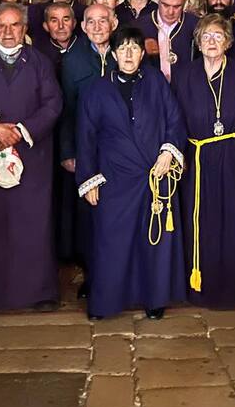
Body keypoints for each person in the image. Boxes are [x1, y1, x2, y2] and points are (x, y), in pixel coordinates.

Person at [76, 26, 187, 319]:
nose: (128, 54)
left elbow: (175, 121)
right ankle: (106, 302)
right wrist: (89, 179)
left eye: (134, 48)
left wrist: (168, 152)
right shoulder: (96, 89)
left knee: (152, 242)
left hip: (154, 177)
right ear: (113, 54)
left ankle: (154, 299)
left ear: (142, 54)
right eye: (122, 48)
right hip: (114, 179)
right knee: (112, 242)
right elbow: (85, 136)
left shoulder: (156, 82)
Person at [0, 2, 63, 311]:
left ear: (25, 28)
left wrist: (20, 130)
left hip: (32, 154)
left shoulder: (40, 62)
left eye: (14, 25)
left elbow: (53, 104)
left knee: (33, 222)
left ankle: (38, 292)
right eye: (2, 26)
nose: (8, 32)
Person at [171, 13, 235, 309]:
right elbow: (174, 120)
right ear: (197, 42)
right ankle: (198, 286)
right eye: (206, 36)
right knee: (198, 221)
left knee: (233, 220)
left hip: (234, 156)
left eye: (218, 36)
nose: (211, 41)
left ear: (228, 42)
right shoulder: (184, 75)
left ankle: (231, 289)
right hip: (195, 158)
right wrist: (176, 154)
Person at [59, 3, 119, 292]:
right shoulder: (73, 61)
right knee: (88, 216)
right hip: (87, 150)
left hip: (120, 151)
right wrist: (68, 152)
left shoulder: (126, 52)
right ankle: (93, 277)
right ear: (82, 27)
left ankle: (120, 275)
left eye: (103, 21)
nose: (97, 27)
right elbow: (66, 110)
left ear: (114, 23)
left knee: (118, 212)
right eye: (90, 22)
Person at [144, 0, 198, 78]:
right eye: (165, 5)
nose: (170, 12)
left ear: (184, 3)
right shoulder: (139, 27)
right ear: (158, 0)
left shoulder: (197, 26)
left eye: (177, 6)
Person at [35, 1, 80, 71]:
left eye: (66, 20)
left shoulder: (86, 48)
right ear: (46, 26)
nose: (61, 26)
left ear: (74, 23)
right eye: (54, 21)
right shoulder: (38, 54)